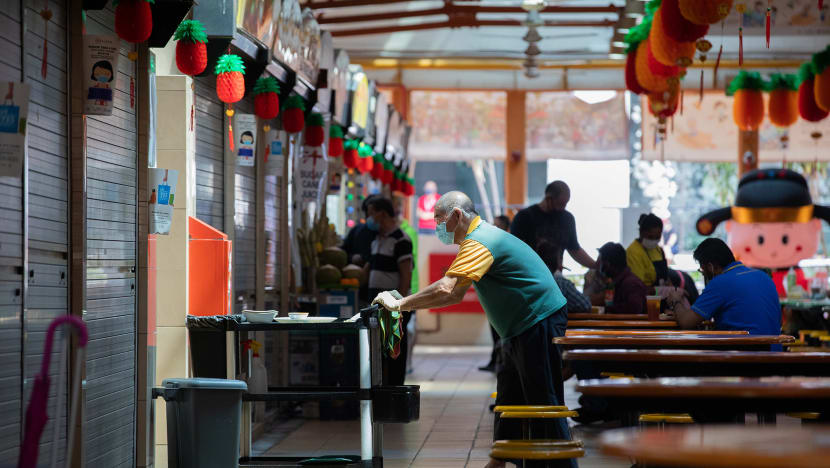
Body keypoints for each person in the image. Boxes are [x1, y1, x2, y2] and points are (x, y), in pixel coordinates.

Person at [372, 192, 576, 468]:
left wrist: (400, 304)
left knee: (543, 399)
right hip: (519, 327)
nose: (438, 227)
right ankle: (500, 460)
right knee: (509, 398)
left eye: (439, 220)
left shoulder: (480, 241)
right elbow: (455, 294)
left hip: (538, 319)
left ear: (457, 215)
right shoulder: (479, 238)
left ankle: (563, 464)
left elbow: (446, 288)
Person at [667, 238, 781, 336]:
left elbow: (686, 322)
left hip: (745, 355)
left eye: (702, 270)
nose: (703, 274)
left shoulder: (720, 282)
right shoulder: (763, 276)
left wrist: (676, 300)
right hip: (775, 352)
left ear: (710, 267)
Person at [365, 197, 413, 385]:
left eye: (371, 214)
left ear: (382, 214)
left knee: (394, 356)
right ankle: (380, 396)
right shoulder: (377, 241)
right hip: (376, 307)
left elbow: (405, 276)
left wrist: (398, 307)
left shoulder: (401, 240)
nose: (368, 218)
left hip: (392, 309)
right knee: (378, 355)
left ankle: (394, 397)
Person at [510, 181, 596, 269]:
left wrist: (596, 266)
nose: (563, 208)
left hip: (554, 277)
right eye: (561, 204)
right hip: (529, 274)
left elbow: (574, 249)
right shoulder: (524, 217)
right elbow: (514, 250)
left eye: (566, 204)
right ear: (548, 199)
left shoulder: (567, 219)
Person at [479, 214, 512, 373]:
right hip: (494, 297)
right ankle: (496, 359)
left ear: (506, 229)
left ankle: (500, 361)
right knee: (494, 331)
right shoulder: (490, 243)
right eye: (493, 224)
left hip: (504, 297)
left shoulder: (505, 244)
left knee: (500, 333)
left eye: (497, 225)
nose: (493, 227)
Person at [589, 242, 647, 315]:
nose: (598, 266)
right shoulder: (617, 282)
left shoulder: (631, 283)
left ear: (607, 264)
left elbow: (634, 309)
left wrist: (606, 310)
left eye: (600, 262)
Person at [342, 195, 378, 307]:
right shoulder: (356, 231)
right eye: (368, 213)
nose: (371, 217)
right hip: (357, 291)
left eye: (374, 213)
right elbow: (343, 253)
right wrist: (351, 258)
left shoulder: (387, 235)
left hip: (381, 293)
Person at [537, 241, 591, 314]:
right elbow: (585, 305)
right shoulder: (562, 283)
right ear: (558, 261)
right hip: (556, 325)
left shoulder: (529, 281)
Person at [626, 213, 668, 290]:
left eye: (657, 237)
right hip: (644, 297)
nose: (654, 240)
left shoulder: (658, 249)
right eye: (650, 237)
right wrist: (659, 291)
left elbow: (666, 276)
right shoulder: (633, 252)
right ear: (641, 233)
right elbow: (637, 286)